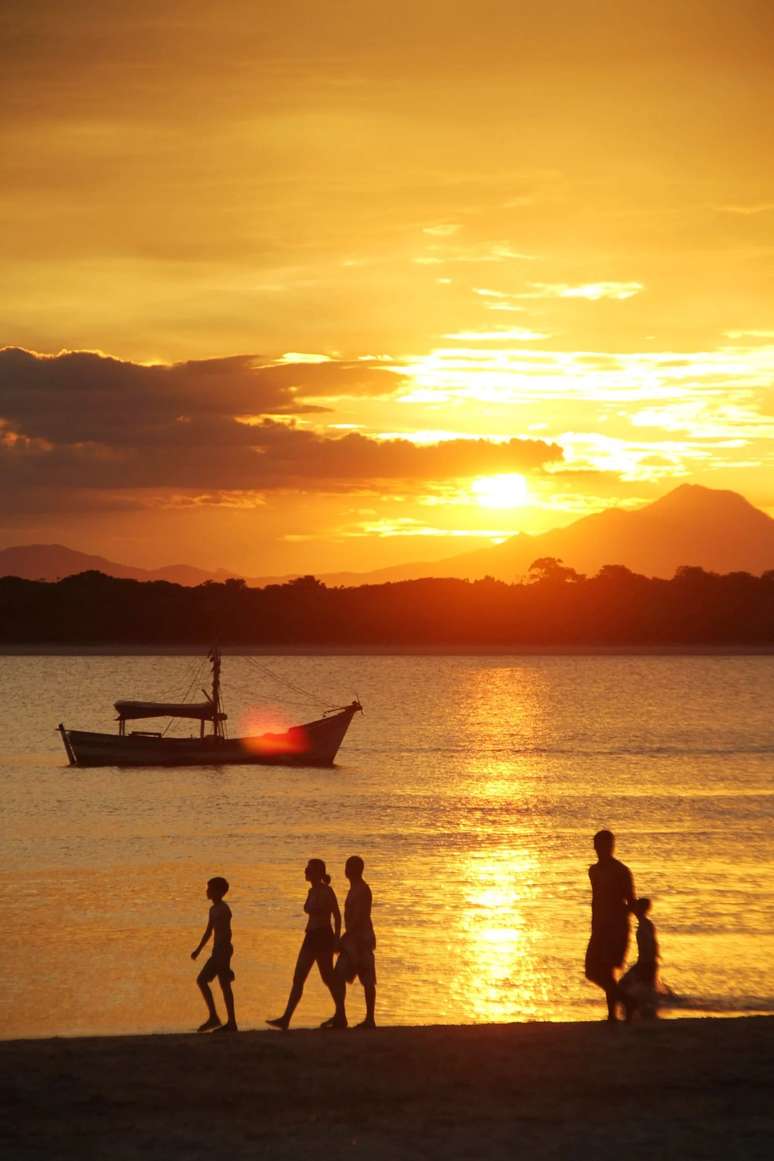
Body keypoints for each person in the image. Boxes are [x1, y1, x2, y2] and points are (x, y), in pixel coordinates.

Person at [267, 858, 341, 1031]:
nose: (306, 871)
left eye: (309, 869)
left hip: (323, 936)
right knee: (298, 977)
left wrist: (336, 939)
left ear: (318, 873)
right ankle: (286, 1018)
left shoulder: (327, 891)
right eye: (307, 868)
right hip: (310, 936)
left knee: (327, 978)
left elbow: (337, 915)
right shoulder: (311, 891)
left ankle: (340, 1014)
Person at [584, 830, 636, 1022]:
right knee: (592, 970)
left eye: (604, 845)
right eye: (597, 845)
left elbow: (630, 901)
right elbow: (596, 900)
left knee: (606, 970)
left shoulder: (621, 871)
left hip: (616, 928)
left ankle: (613, 1014)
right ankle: (626, 1002)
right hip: (599, 928)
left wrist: (639, 921)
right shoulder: (593, 871)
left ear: (611, 847)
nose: (600, 849)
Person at [322, 855, 377, 1030]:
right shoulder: (355, 888)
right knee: (341, 977)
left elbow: (360, 917)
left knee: (366, 979)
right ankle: (341, 1016)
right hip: (355, 941)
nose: (345, 870)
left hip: (360, 941)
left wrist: (344, 938)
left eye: (348, 867)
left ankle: (368, 1019)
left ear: (354, 870)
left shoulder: (361, 890)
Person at [191, 875, 237, 1032]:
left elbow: (227, 933)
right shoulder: (213, 909)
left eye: (210, 888)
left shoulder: (224, 909)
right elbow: (208, 932)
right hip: (217, 951)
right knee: (203, 981)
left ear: (219, 892)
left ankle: (230, 1022)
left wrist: (224, 960)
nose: (207, 891)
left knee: (223, 985)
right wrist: (198, 950)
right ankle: (215, 1017)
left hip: (223, 951)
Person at [619, 897, 659, 1021]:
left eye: (636, 907)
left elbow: (650, 944)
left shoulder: (644, 925)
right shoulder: (646, 923)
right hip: (646, 962)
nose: (633, 910)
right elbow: (654, 943)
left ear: (640, 909)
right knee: (646, 988)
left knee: (623, 984)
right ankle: (644, 1008)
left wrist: (649, 961)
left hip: (645, 963)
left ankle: (635, 1006)